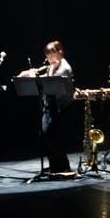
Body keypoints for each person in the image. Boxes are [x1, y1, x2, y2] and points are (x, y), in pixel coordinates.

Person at [18, 40, 74, 173]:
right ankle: (55, 165)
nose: (49, 57)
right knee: (46, 134)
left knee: (52, 134)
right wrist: (29, 75)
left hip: (62, 106)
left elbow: (51, 83)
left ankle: (63, 166)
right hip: (50, 106)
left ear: (60, 52)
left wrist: (43, 73)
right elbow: (45, 78)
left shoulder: (64, 67)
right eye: (47, 54)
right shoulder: (52, 66)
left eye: (52, 53)